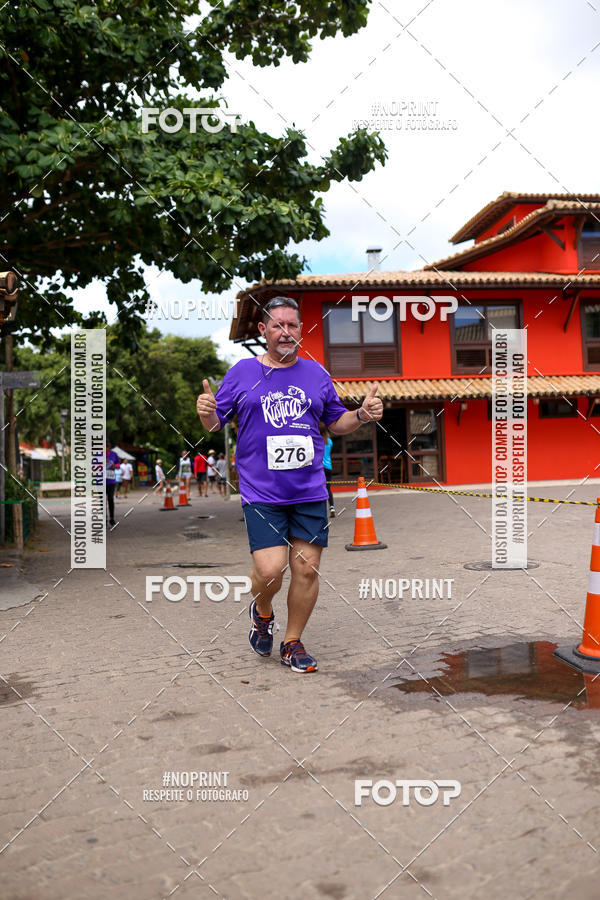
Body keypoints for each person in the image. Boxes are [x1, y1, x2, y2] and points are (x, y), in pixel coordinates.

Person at [196, 295, 383, 673]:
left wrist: (361, 414)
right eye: (278, 325)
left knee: (307, 569)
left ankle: (292, 642)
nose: (286, 332)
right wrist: (207, 414)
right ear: (263, 330)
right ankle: (262, 612)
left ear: (301, 330)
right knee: (269, 572)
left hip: (309, 491)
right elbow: (217, 424)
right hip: (262, 493)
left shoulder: (316, 374)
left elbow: (337, 422)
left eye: (292, 325)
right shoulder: (242, 373)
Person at [319, 422, 335, 518]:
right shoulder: (329, 441)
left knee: (320, 489)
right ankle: (332, 507)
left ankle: (322, 510)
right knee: (328, 488)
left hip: (320, 467)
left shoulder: (317, 440)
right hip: (328, 467)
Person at [105, 440, 119, 527]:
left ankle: (112, 518)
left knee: (110, 499)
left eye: (108, 446)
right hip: (101, 481)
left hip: (111, 480)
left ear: (110, 446)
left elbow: (118, 464)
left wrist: (115, 466)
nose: (106, 448)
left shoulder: (114, 454)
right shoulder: (98, 454)